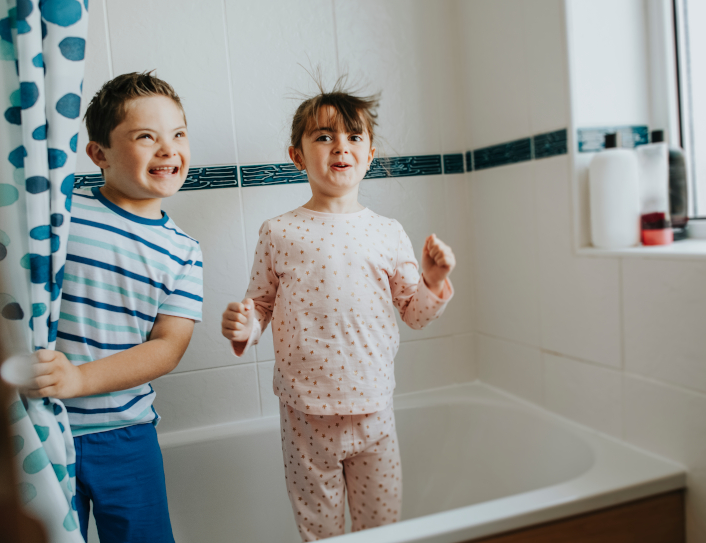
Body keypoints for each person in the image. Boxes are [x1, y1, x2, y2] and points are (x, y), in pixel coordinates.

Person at [221, 80, 456, 540]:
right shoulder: (280, 232)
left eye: (353, 137)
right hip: (305, 416)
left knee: (381, 529)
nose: (340, 147)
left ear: (368, 155)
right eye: (324, 136)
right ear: (298, 156)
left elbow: (414, 312)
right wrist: (244, 327)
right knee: (319, 531)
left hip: (374, 411)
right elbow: (262, 305)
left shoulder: (387, 232)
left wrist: (432, 281)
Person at [24, 72, 203, 542]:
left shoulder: (183, 250)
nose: (168, 149)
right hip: (42, 426)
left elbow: (168, 347)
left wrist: (80, 379)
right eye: (147, 136)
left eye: (178, 134)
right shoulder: (63, 214)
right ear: (99, 153)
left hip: (126, 433)